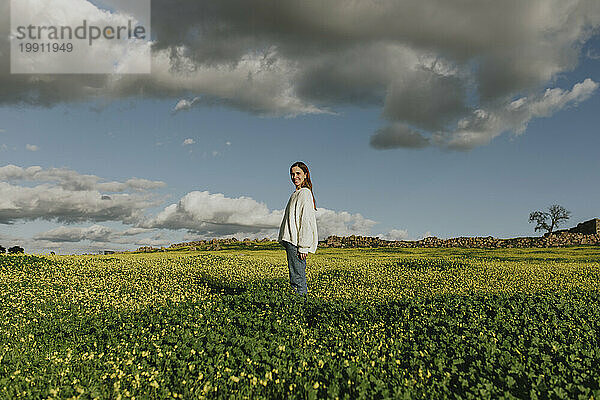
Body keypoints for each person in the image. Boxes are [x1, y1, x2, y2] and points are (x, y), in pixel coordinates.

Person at [278, 161, 318, 296]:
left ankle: (301, 306)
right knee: (295, 276)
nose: (294, 177)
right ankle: (298, 303)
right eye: (292, 174)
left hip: (297, 243)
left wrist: (304, 246)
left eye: (298, 173)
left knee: (298, 278)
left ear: (305, 175)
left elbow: (306, 220)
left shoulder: (305, 193)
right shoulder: (295, 194)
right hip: (291, 241)